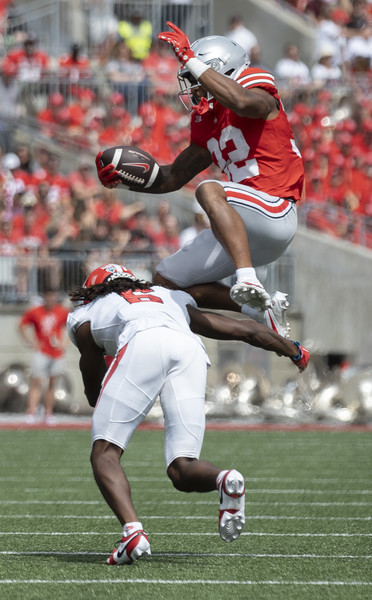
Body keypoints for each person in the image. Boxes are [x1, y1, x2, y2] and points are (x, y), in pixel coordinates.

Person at [67, 263, 309, 565]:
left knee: (105, 452)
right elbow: (237, 329)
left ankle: (132, 532)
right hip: (189, 350)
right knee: (182, 468)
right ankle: (224, 479)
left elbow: (91, 372)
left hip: (142, 342)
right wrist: (292, 349)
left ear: (92, 291)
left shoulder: (85, 312)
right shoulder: (166, 295)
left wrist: (97, 399)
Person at [95, 23, 305, 338]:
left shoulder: (255, 83)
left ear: (218, 68)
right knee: (167, 280)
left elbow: (244, 103)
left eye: (194, 80)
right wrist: (124, 180)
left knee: (209, 189)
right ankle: (261, 311)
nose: (192, 90)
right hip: (239, 226)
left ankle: (247, 279)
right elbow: (171, 177)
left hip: (274, 209)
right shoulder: (206, 121)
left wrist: (192, 59)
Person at [18, 289, 70, 424]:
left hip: (56, 352)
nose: (51, 299)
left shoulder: (61, 311)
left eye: (53, 296)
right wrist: (30, 341)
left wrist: (65, 343)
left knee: (52, 383)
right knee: (36, 381)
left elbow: (72, 327)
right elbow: (22, 325)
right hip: (41, 351)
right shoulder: (36, 311)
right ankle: (31, 412)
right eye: (48, 295)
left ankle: (48, 413)